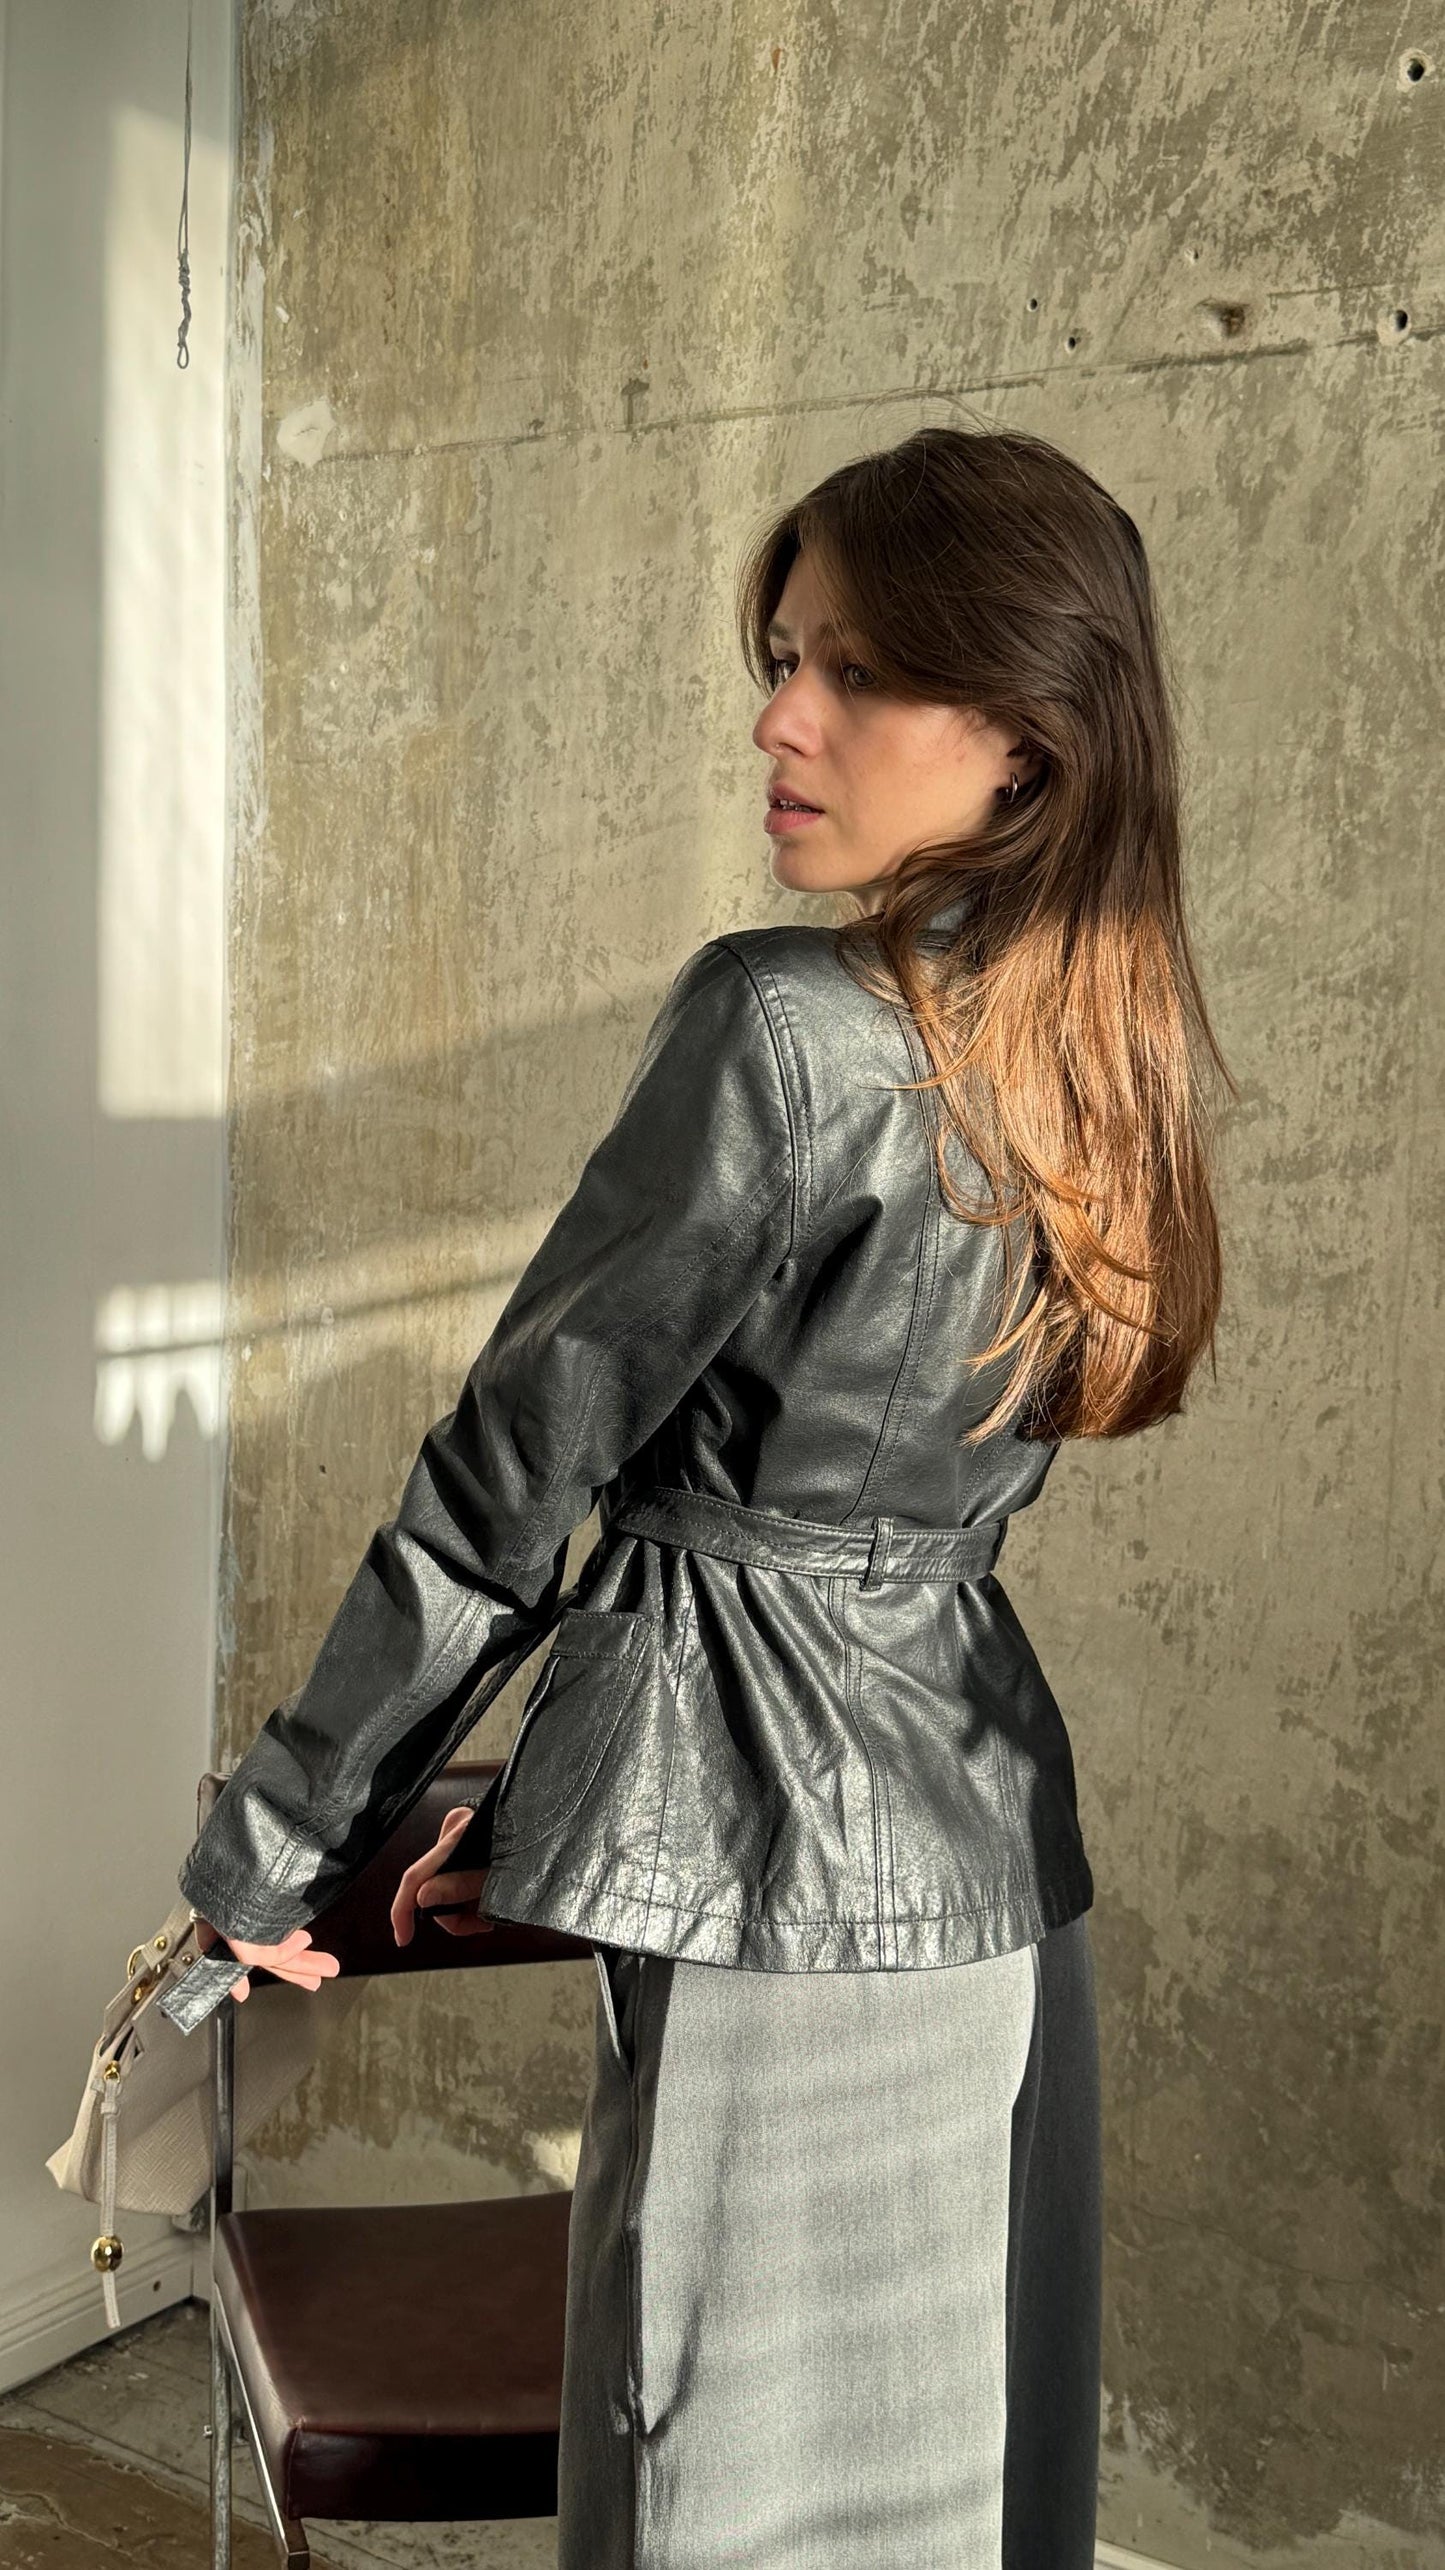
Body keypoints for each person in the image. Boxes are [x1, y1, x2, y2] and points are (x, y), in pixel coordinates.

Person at [180, 422, 1231, 2568]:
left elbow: (505, 1479)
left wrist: (275, 1841)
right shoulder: (1102, 1048)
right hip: (989, 1874)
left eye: (857, 669)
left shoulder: (788, 1024)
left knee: (732, 2490)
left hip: (775, 1893)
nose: (783, 716)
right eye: (783, 657)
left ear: (1027, 741)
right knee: (939, 2486)